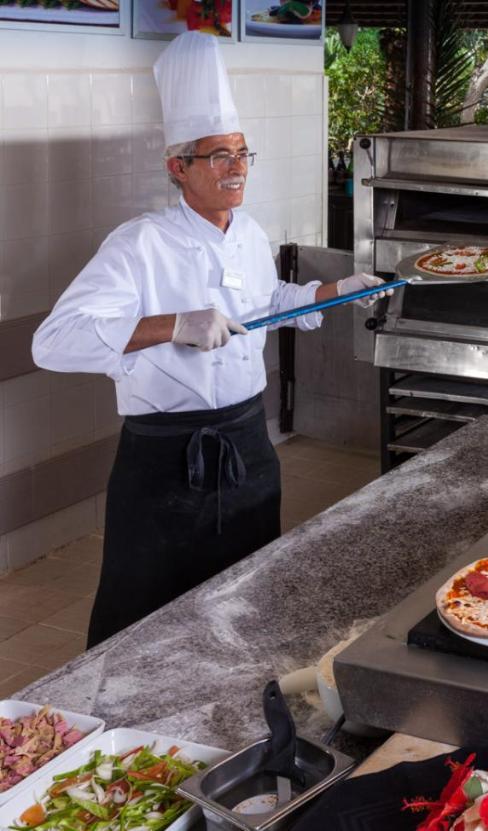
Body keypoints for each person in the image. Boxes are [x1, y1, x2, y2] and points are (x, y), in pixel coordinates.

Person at [31, 33, 390, 648]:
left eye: (243, 154)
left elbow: (267, 305)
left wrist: (337, 292)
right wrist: (172, 324)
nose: (236, 169)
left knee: (246, 604)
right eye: (218, 156)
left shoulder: (247, 231)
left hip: (248, 444)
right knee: (145, 619)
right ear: (178, 168)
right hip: (167, 460)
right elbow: (53, 341)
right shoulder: (137, 244)